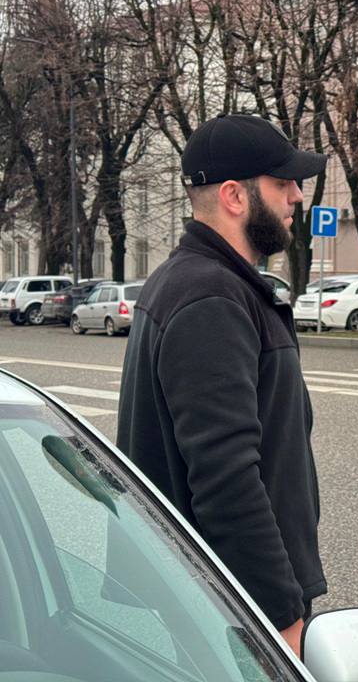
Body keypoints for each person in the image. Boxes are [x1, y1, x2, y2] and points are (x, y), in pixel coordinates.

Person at [116, 114, 328, 657]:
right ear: (235, 196)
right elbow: (225, 476)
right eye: (283, 183)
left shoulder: (197, 281)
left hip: (211, 590)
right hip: (228, 604)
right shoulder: (211, 297)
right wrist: (278, 614)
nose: (297, 197)